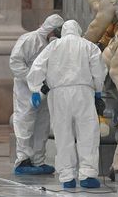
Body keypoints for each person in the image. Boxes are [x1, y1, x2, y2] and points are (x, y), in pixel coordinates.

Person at [27, 20, 107, 188]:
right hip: (83, 92)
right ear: (78, 30)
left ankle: (67, 177)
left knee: (63, 134)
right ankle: (87, 175)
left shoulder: (53, 46)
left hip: (58, 94)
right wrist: (98, 92)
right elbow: (99, 70)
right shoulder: (88, 46)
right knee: (87, 133)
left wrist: (35, 89)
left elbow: (37, 66)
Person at [10, 14, 64, 175]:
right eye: (55, 31)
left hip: (45, 91)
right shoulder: (29, 40)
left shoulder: (54, 44)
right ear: (49, 29)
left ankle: (38, 160)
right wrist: (33, 83)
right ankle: (23, 160)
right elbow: (15, 63)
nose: (57, 34)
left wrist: (44, 86)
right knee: (25, 122)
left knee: (43, 124)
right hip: (26, 90)